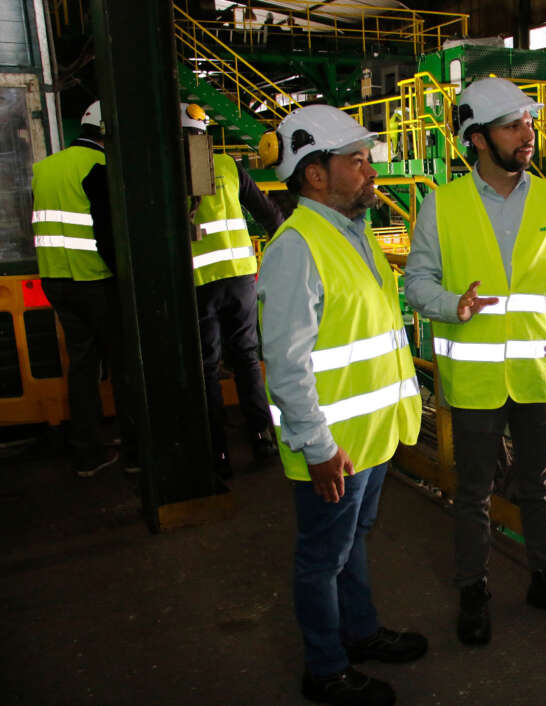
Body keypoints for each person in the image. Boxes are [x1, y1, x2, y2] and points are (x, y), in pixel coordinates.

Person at [404, 77, 546, 646]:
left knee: (538, 487)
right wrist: (451, 305)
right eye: (514, 126)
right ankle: (473, 588)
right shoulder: (443, 205)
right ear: (478, 138)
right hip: (476, 377)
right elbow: (416, 282)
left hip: (539, 370)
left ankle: (545, 577)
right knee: (473, 490)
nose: (528, 135)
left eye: (529, 123)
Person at [256, 104, 426, 706]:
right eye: (356, 162)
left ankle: (360, 632)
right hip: (333, 447)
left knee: (352, 542)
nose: (369, 171)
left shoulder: (350, 235)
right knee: (321, 557)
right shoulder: (296, 248)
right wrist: (319, 446)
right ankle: (324, 668)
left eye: (367, 160)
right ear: (315, 175)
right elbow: (287, 364)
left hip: (370, 436)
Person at [31, 100, 135, 477]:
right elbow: (108, 234)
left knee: (82, 366)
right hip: (95, 280)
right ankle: (136, 450)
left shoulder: (43, 169)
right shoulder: (99, 167)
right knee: (123, 364)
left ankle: (87, 453)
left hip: (55, 280)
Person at [180, 103, 282, 476]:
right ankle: (262, 440)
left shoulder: (166, 170)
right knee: (246, 359)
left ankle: (216, 454)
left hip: (199, 284)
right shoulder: (227, 165)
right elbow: (270, 215)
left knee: (206, 366)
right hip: (241, 279)